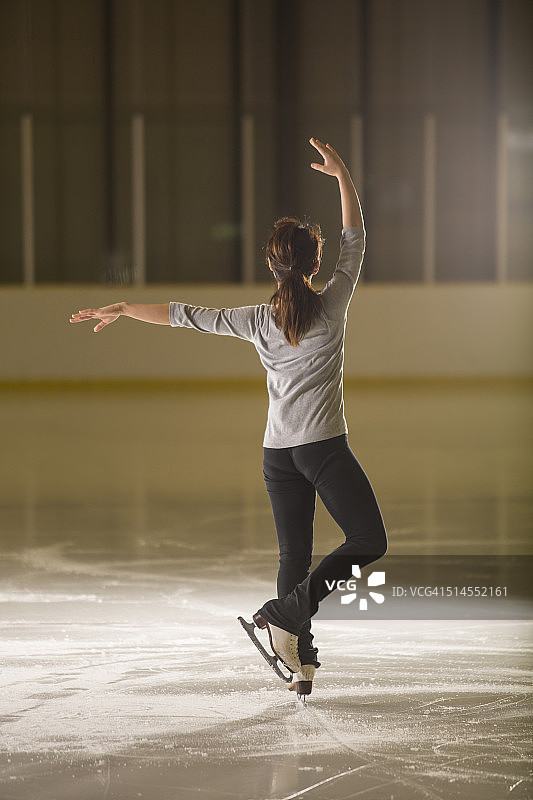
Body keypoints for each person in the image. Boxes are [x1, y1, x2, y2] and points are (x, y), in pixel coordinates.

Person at [69, 137, 388, 699]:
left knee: (294, 555)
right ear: (314, 264)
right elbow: (355, 240)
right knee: (368, 538)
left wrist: (124, 307)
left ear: (272, 264)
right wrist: (342, 176)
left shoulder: (257, 320)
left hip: (277, 455)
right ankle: (287, 615)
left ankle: (300, 661)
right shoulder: (333, 301)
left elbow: (186, 315)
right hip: (321, 448)